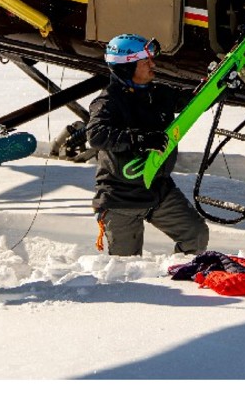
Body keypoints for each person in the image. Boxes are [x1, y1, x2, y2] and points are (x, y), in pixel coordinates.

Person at [86, 34, 209, 257]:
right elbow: (96, 135)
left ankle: (180, 272)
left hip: (158, 189)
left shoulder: (159, 93)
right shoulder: (108, 101)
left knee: (196, 235)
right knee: (126, 265)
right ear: (127, 68)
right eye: (146, 62)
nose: (153, 65)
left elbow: (195, 101)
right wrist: (140, 139)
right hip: (121, 197)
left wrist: (227, 83)